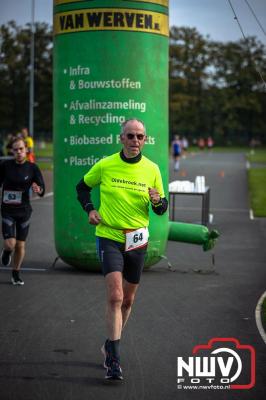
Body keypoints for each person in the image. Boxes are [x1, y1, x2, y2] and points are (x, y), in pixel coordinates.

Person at [76, 119, 168, 380]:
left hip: (137, 240)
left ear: (145, 140)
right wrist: (90, 209)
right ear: (121, 139)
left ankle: (110, 343)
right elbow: (82, 187)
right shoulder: (106, 164)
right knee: (115, 297)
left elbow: (161, 208)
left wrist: (158, 201)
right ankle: (114, 359)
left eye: (140, 136)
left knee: (128, 301)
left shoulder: (152, 169)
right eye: (130, 136)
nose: (135, 141)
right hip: (109, 236)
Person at [0, 137, 45, 285]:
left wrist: (39, 189)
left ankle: (16, 273)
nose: (18, 152)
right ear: (11, 151)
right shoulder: (5, 166)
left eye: (21, 149)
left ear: (26, 150)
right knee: (10, 244)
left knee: (20, 245)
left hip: (24, 211)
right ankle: (6, 252)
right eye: (15, 149)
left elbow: (41, 189)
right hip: (7, 210)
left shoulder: (33, 168)